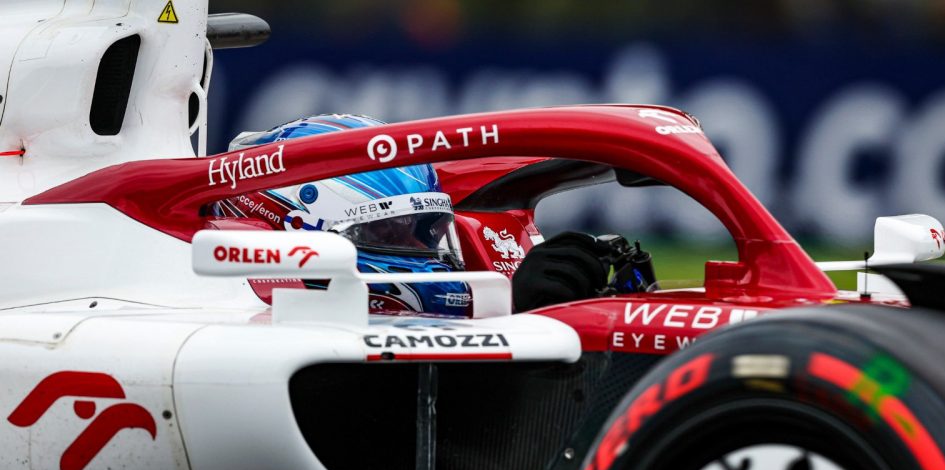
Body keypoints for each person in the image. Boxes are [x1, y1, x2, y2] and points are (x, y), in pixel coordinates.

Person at [215, 114, 639, 315]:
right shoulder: (243, 330)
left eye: (427, 232)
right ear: (301, 231)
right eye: (389, 233)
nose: (425, 254)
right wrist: (527, 323)